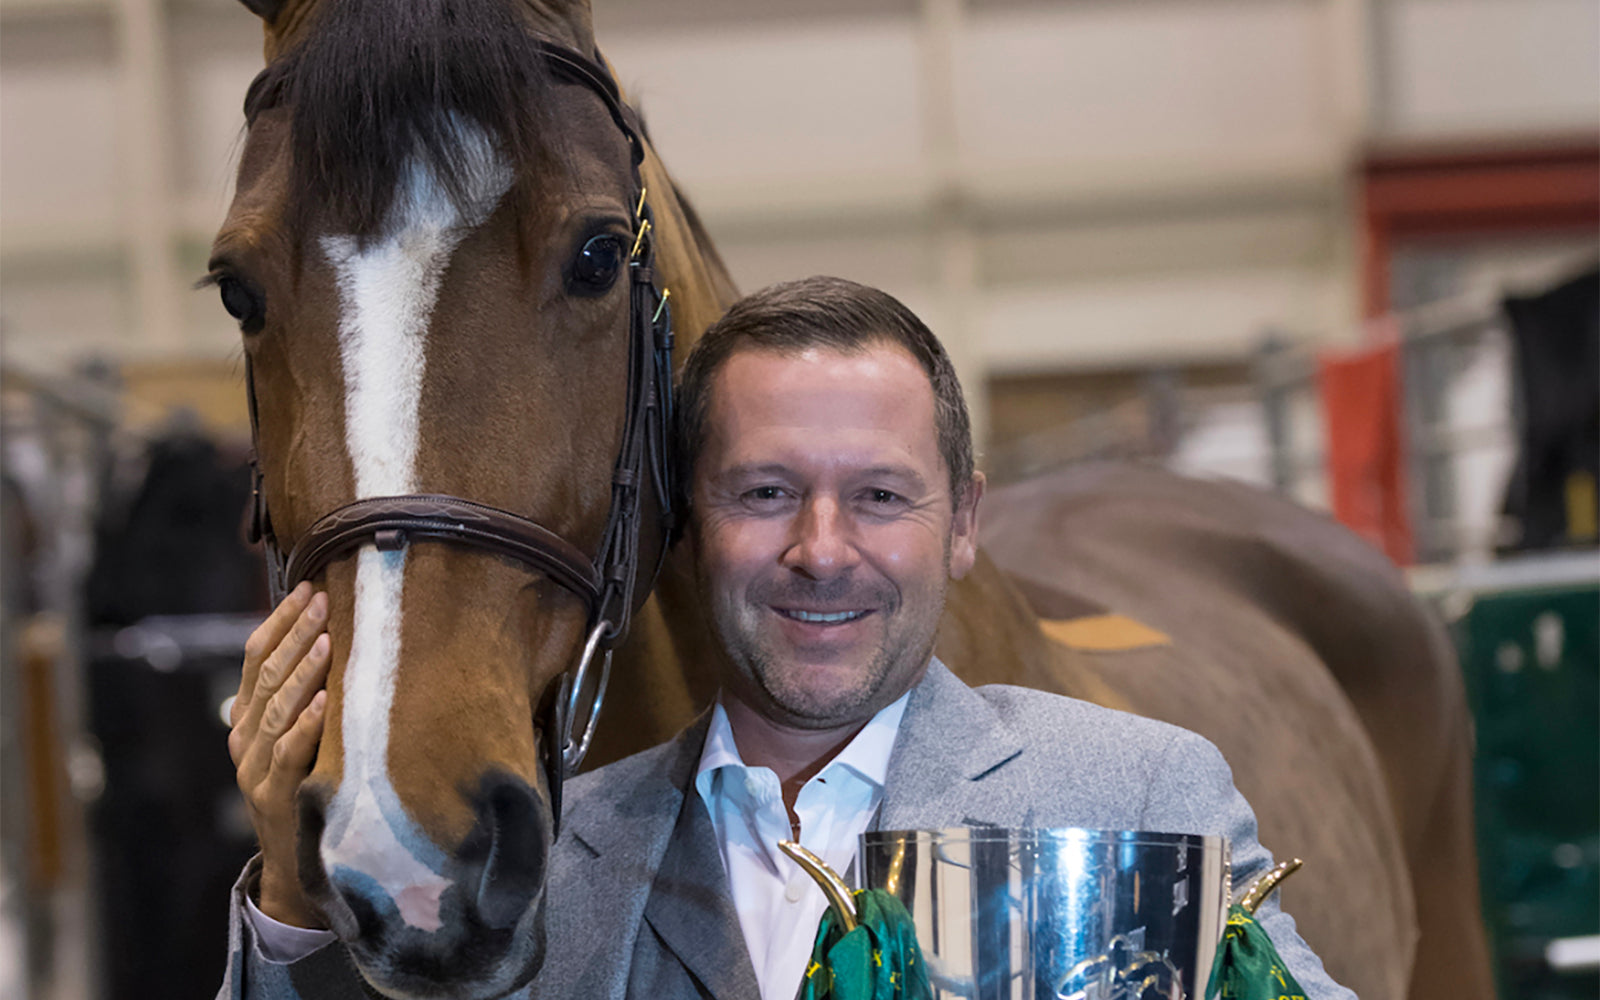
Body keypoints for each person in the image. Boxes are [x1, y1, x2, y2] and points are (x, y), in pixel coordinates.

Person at [222, 276, 1354, 999]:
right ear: (683, 527)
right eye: (763, 492)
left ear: (960, 522)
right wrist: (285, 888)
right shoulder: (550, 868)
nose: (822, 550)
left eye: (879, 497)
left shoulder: (1134, 789)